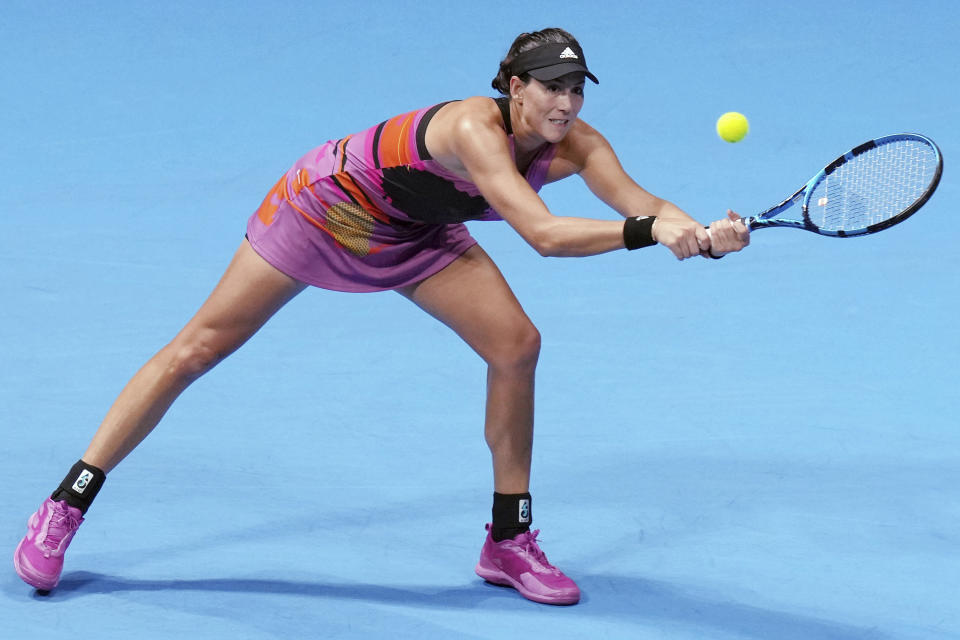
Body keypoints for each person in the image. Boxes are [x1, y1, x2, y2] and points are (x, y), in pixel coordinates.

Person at [13, 27, 750, 605]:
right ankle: (66, 503)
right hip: (324, 210)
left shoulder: (579, 144)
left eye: (577, 90)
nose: (566, 104)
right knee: (198, 348)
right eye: (551, 88)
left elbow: (642, 203)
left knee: (516, 346)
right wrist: (651, 234)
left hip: (415, 233)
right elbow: (546, 237)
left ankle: (507, 539)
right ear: (514, 87)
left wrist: (702, 234)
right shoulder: (472, 130)